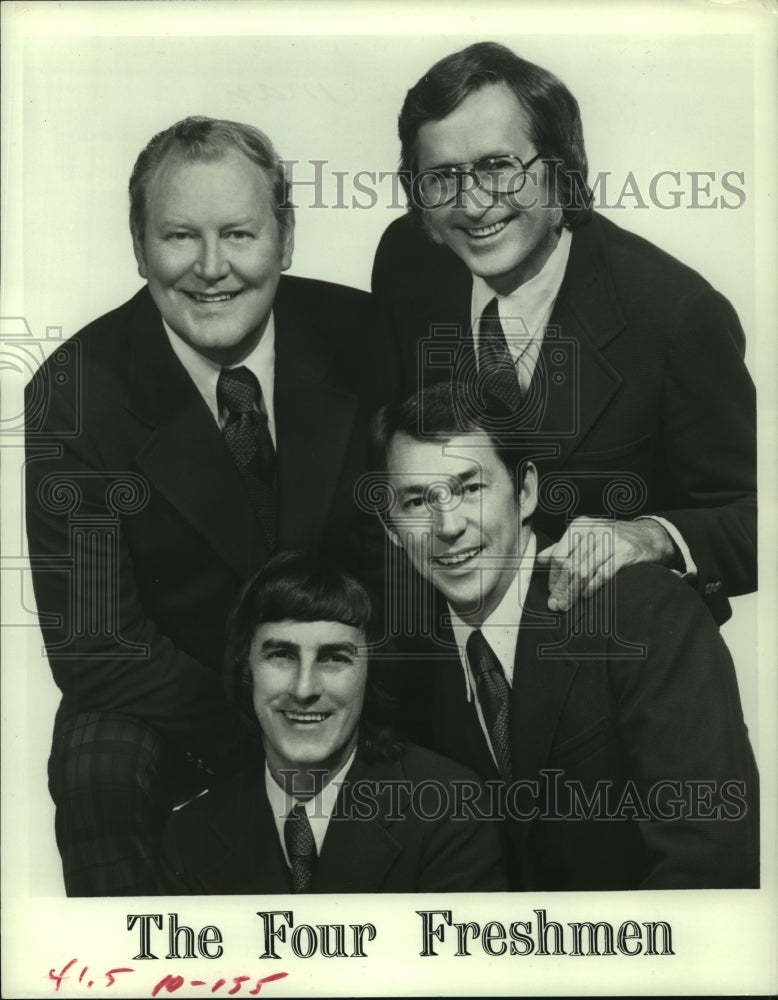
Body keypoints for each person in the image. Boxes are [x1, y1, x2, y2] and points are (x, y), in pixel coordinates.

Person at [24, 116, 389, 895]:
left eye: (240, 235)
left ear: (285, 240)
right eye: (181, 236)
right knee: (98, 770)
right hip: (177, 700)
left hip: (350, 674)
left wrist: (331, 698)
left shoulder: (365, 337)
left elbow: (411, 553)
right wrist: (263, 716)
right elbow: (100, 649)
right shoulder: (76, 391)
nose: (211, 268)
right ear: (139, 244)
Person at [371, 41, 756, 625]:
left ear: (561, 171)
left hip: (610, 659)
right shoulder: (408, 264)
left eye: (498, 167)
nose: (473, 205)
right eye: (442, 178)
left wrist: (649, 536)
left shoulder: (677, 315)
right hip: (452, 659)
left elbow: (758, 514)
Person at [368, 382, 759, 890]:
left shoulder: (642, 611)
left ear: (525, 490)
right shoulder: (407, 668)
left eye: (471, 488)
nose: (448, 526)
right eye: (418, 501)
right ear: (392, 526)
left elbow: (712, 861)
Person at [159, 551, 506, 894]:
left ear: (370, 673)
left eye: (334, 658)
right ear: (245, 666)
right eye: (281, 655)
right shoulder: (190, 837)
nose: (304, 688)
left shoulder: (448, 808)